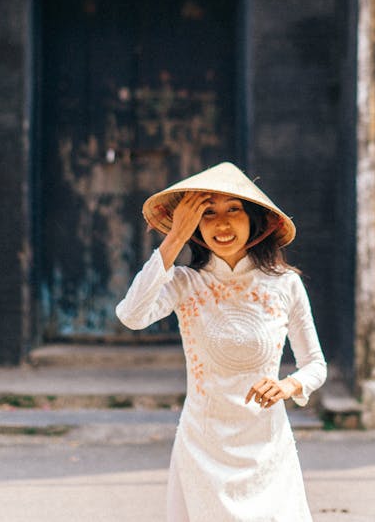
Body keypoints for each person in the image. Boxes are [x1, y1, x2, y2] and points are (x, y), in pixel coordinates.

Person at [116, 162, 327, 522]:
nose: (222, 224)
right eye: (207, 213)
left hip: (267, 447)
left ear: (255, 221)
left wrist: (287, 385)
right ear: (194, 224)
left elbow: (315, 365)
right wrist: (173, 239)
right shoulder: (185, 283)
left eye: (234, 210)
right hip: (202, 447)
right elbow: (131, 315)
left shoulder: (285, 285)